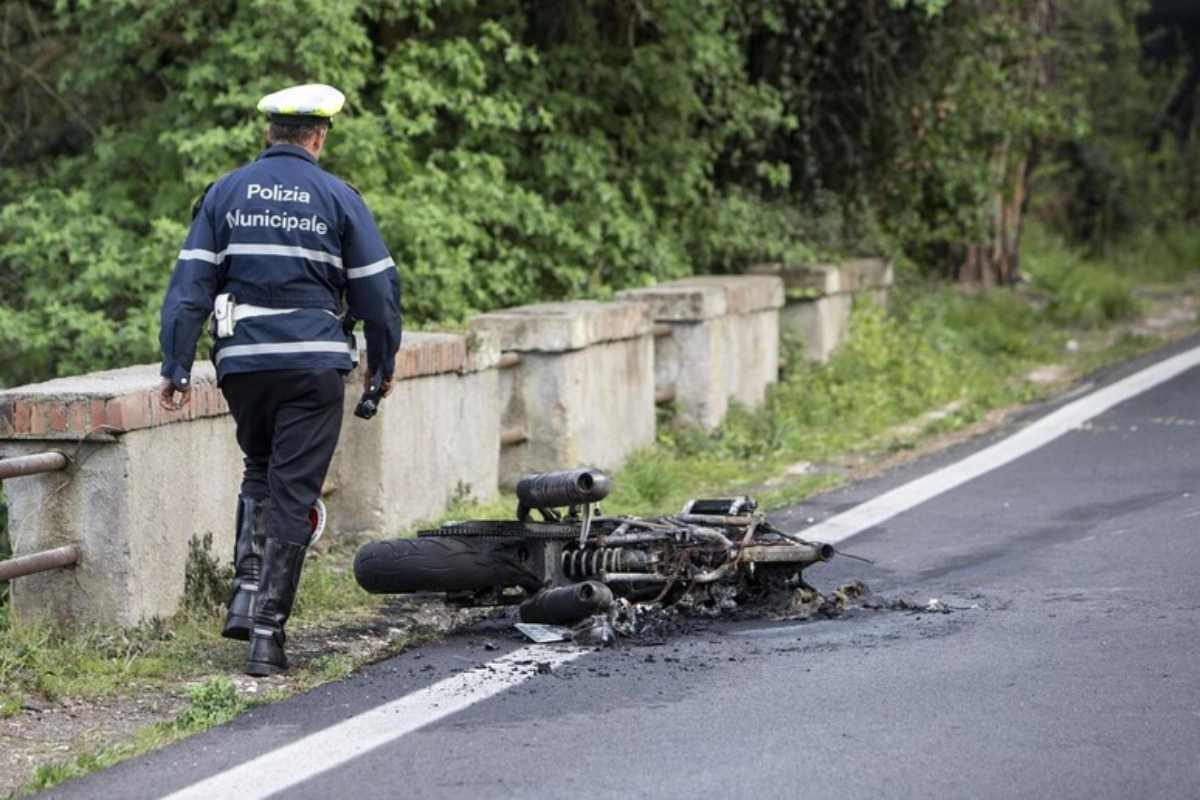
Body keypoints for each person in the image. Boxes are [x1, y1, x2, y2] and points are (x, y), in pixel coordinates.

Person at [157, 83, 402, 676]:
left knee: (259, 469)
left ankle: (245, 592)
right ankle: (267, 635)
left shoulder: (225, 193)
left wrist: (176, 366)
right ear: (318, 136)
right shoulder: (339, 196)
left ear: (270, 133)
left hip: (244, 364)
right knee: (293, 490)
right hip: (312, 364)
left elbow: (190, 288)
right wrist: (382, 365)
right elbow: (377, 292)